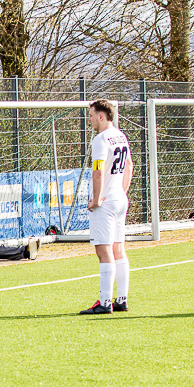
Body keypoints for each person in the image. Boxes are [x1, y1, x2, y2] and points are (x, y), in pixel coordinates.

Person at [80, 99, 133, 315]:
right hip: (119, 199)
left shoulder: (100, 139)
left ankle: (105, 302)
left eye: (92, 115)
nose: (90, 120)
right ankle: (122, 299)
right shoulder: (121, 136)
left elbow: (98, 171)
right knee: (118, 249)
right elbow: (129, 165)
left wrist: (96, 199)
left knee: (103, 250)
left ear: (101, 116)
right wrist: (121, 191)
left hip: (106, 203)